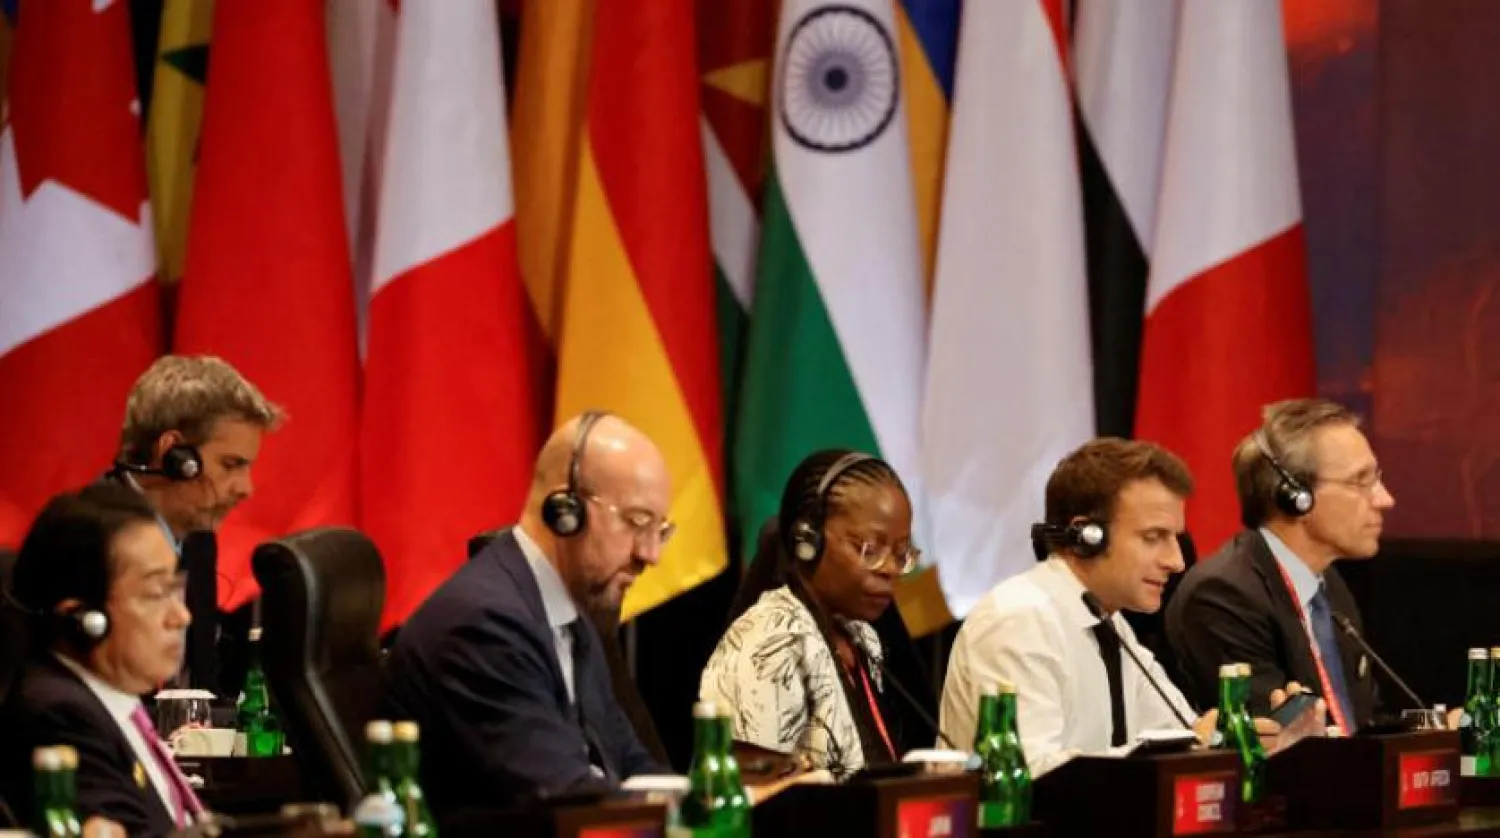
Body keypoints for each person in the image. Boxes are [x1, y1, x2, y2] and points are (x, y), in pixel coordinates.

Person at [939, 438, 1298, 776]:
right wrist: (1193, 743)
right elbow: (1033, 777)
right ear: (1086, 536)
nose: (1176, 562)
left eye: (1175, 539)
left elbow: (1182, 739)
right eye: (1153, 538)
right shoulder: (1018, 620)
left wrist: (1261, 737)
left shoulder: (1109, 622)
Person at [383, 411, 669, 815]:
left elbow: (630, 765)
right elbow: (566, 801)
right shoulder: (485, 626)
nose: (650, 555)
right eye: (637, 523)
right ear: (565, 510)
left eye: (661, 531)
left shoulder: (571, 613)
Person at [1166, 399, 1395, 731]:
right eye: (1360, 481)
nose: (1385, 499)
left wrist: (1436, 731)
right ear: (1295, 494)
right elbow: (1271, 741)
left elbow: (1361, 723)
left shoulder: (1329, 587)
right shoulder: (1223, 596)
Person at [700, 450, 922, 781]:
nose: (890, 569)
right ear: (808, 541)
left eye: (901, 553)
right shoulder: (768, 641)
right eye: (869, 549)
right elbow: (751, 800)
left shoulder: (861, 638)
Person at [0, 484, 203, 837]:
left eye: (176, 587)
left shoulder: (110, 702)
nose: (181, 616)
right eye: (156, 593)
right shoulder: (59, 715)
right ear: (83, 620)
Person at [107, 355, 282, 554]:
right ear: (172, 453)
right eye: (230, 464)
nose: (246, 489)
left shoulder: (197, 534)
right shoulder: (85, 547)